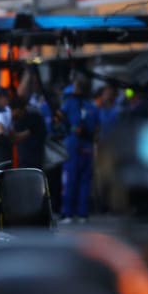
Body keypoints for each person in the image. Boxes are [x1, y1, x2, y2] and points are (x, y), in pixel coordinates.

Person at [58, 78, 99, 224]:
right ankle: (83, 214)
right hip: (87, 146)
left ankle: (68, 213)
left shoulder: (69, 103)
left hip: (73, 145)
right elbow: (96, 129)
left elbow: (59, 117)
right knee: (85, 180)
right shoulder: (92, 106)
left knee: (70, 179)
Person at [10, 96, 45, 169]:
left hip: (35, 160)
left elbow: (20, 136)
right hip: (23, 160)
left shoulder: (34, 118)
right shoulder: (17, 120)